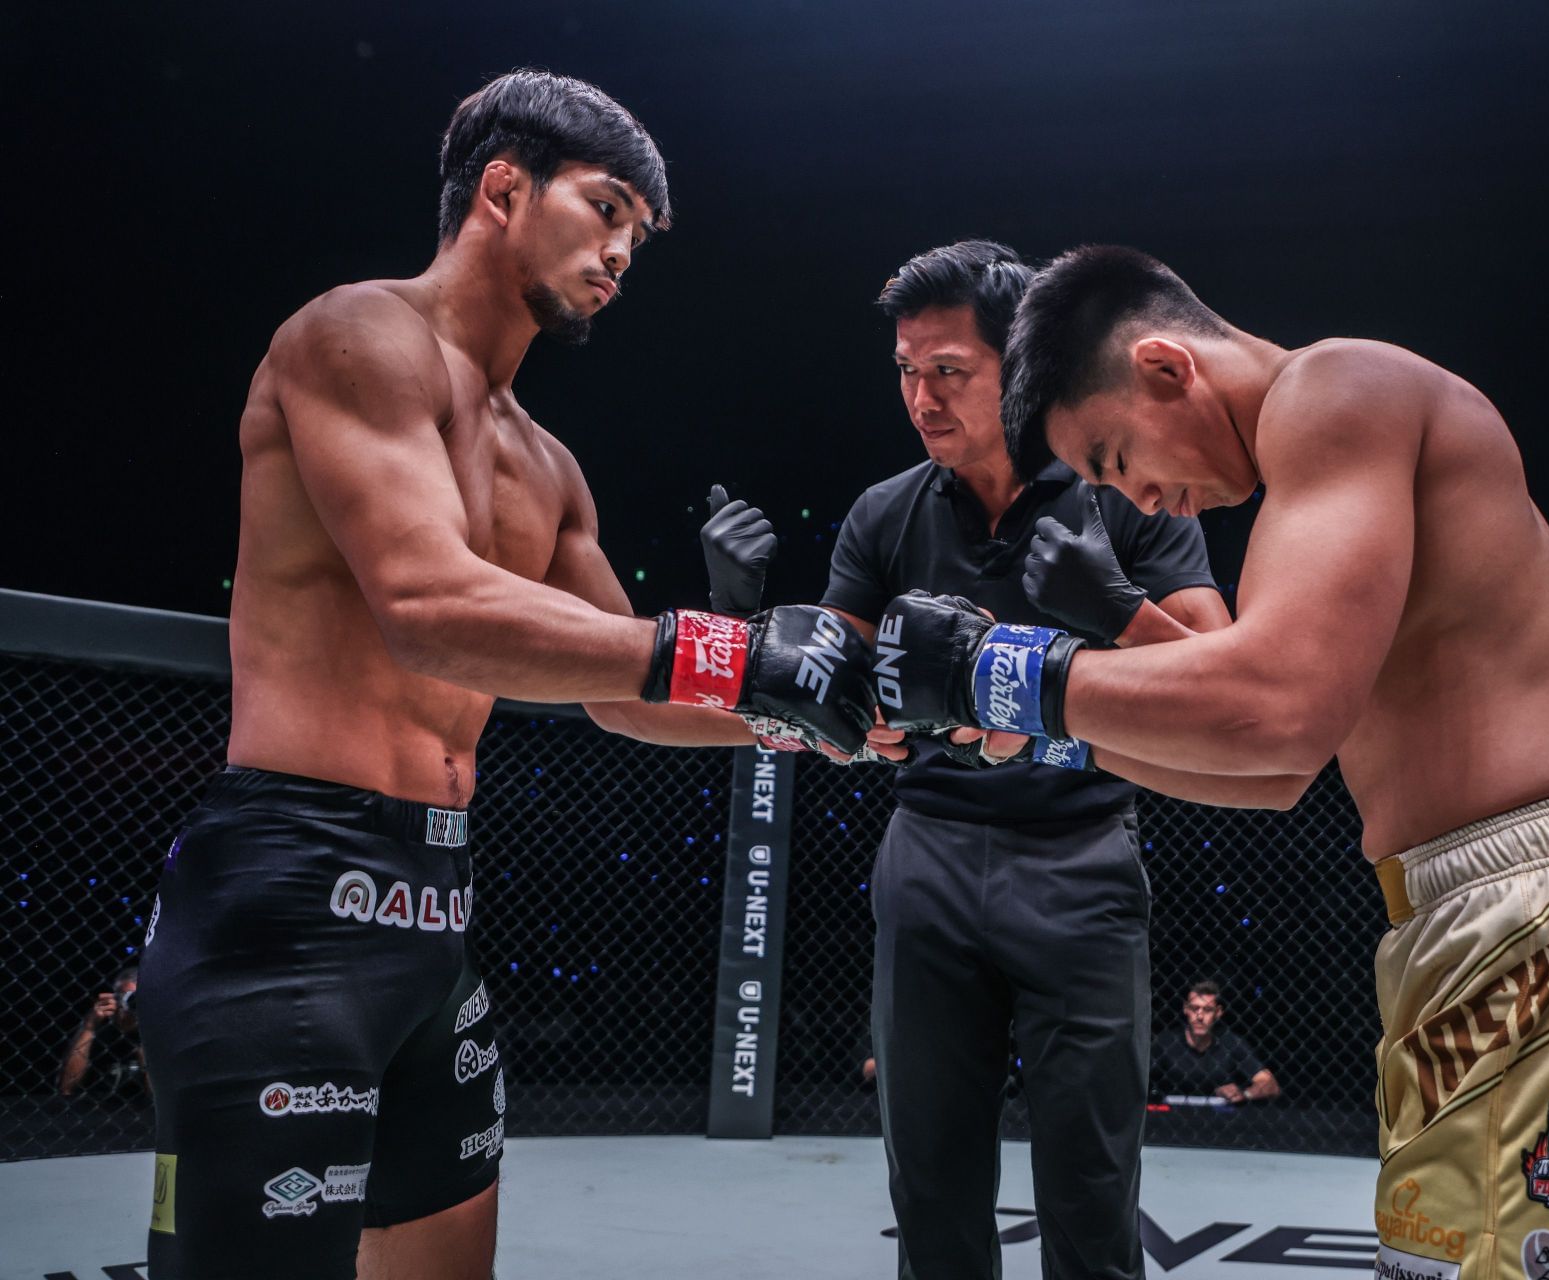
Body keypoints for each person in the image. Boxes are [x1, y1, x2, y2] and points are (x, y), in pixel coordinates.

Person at [137, 71, 877, 1280]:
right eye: (607, 208)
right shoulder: (354, 337)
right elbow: (428, 607)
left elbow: (619, 686)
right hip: (283, 902)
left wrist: (822, 717)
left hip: (434, 912)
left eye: (639, 232)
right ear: (501, 188)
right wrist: (734, 654)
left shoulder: (548, 463)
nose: (623, 251)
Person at [879, 245, 1549, 1279]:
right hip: (1472, 916)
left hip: (1548, 911)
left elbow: (1276, 710)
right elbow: (1273, 773)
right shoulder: (1306, 478)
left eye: (1113, 458)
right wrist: (1047, 723)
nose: (1142, 499)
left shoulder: (1337, 387)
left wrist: (994, 669)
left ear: (1164, 368)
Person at [710, 240, 1224, 1280]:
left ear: (1017, 367)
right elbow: (830, 695)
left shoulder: (1122, 486)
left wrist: (1116, 608)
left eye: (948, 370)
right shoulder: (885, 511)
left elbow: (1219, 679)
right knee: (933, 1187)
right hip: (931, 851)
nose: (921, 396)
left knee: (1090, 1188)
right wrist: (745, 617)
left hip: (1082, 856)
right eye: (905, 370)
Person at [1150, 981, 1278, 1105]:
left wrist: (1244, 1094)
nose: (1199, 1016)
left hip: (1220, 1120)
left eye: (1207, 1010)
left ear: (1218, 1012)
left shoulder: (1231, 1042)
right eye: (1195, 1008)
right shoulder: (1165, 1042)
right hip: (1170, 1117)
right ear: (1185, 1009)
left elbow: (1270, 1084)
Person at [58, 966, 148, 1100]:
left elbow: (160, 1097)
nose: (132, 1002)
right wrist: (89, 1027)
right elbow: (66, 1088)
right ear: (115, 998)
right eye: (127, 997)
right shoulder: (98, 1036)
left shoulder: (161, 1033)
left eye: (137, 997)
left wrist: (146, 1030)